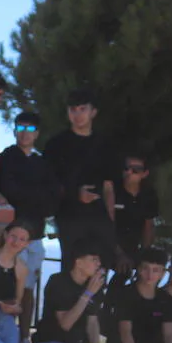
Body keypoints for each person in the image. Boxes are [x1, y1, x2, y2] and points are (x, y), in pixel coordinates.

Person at [0, 111, 61, 343]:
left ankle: (24, 339)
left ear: (37, 134)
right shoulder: (5, 158)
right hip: (10, 235)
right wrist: (35, 197)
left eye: (30, 129)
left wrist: (26, 196)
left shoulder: (43, 164)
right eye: (20, 128)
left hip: (35, 236)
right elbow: (6, 190)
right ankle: (2, 338)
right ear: (14, 131)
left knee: (28, 290)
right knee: (3, 288)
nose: (25, 133)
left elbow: (53, 198)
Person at [42, 88, 116, 267]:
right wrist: (75, 194)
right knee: (72, 269)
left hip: (99, 219)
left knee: (99, 271)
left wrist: (110, 222)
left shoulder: (105, 144)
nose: (77, 114)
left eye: (83, 109)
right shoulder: (56, 144)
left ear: (93, 112)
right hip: (69, 218)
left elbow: (108, 187)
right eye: (73, 110)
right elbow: (49, 184)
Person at [106, 247, 172, 343]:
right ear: (138, 269)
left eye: (156, 270)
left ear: (163, 273)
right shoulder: (126, 294)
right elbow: (125, 333)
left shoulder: (164, 299)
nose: (150, 274)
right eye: (145, 269)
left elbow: (169, 335)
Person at [113, 152, 158, 272]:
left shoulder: (149, 195)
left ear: (145, 173)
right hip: (107, 245)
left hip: (132, 247)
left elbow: (149, 225)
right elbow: (104, 224)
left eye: (136, 170)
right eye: (126, 168)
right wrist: (119, 253)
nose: (129, 172)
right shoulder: (112, 191)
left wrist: (145, 254)